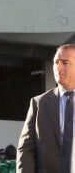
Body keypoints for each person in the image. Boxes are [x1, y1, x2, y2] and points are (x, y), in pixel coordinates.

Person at [17, 43, 75, 172]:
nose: (58, 67)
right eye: (56, 62)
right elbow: (26, 149)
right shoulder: (39, 103)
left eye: (65, 63)